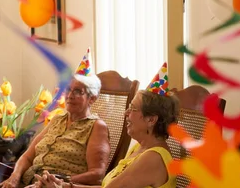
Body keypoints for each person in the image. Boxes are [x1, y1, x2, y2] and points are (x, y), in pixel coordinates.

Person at [33, 63, 179, 188]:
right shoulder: (141, 147)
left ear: (151, 120)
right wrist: (65, 185)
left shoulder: (153, 158)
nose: (126, 113)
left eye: (133, 109)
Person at [0, 51, 110, 187]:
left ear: (92, 98)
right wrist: (14, 178)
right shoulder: (57, 119)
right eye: (68, 90)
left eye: (78, 91)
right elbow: (27, 156)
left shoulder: (96, 126)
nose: (70, 95)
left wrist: (61, 181)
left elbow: (97, 174)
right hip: (29, 182)